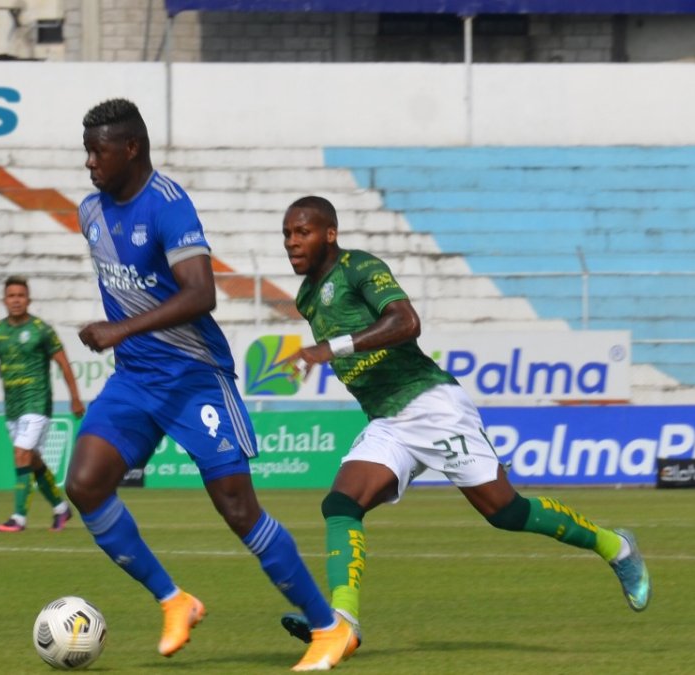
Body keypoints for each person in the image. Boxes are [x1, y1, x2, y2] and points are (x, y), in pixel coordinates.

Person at [278, 195, 652, 662]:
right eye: (288, 234)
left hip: (431, 405)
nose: (293, 242)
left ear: (329, 234)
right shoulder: (307, 297)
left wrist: (330, 350)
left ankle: (615, 546)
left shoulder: (359, 268)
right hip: (388, 420)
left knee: (506, 512)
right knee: (341, 503)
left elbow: (406, 322)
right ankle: (343, 625)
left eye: (303, 232)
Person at [67, 98, 343, 671]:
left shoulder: (169, 206)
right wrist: (125, 340)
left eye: (99, 150)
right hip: (135, 381)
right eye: (86, 150)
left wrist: (119, 328)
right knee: (86, 484)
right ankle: (175, 600)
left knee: (239, 508)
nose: (90, 162)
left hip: (195, 379)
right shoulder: (90, 212)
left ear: (131, 148)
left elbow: (201, 294)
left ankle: (327, 626)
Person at [0, 275, 85, 532]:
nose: (16, 300)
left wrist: (75, 397)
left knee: (21, 453)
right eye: (11, 296)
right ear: (4, 300)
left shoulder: (41, 330)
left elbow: (63, 363)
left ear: (28, 300)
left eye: (20, 295)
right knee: (32, 460)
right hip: (13, 406)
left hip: (37, 402)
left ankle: (18, 518)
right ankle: (60, 508)